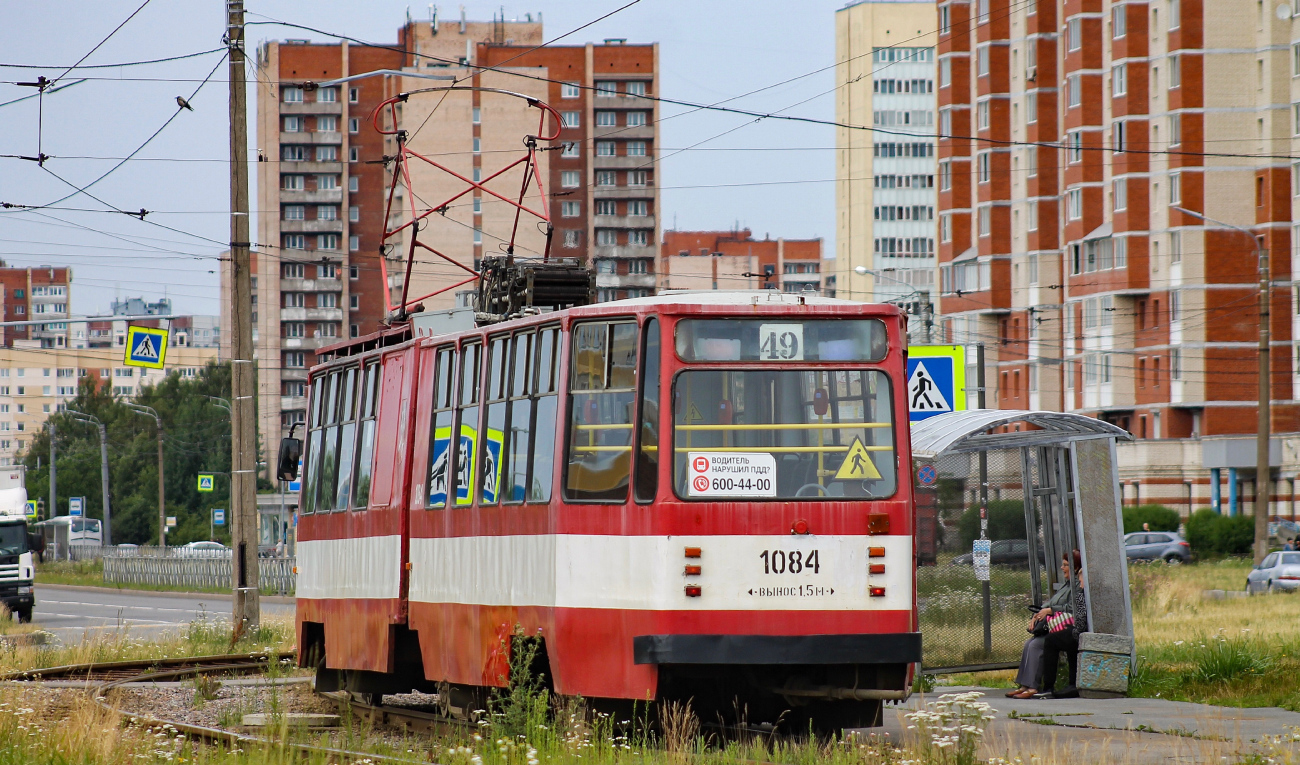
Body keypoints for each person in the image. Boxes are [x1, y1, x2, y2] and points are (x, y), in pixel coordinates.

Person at [1006, 550, 1088, 700]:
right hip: (1054, 627)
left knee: (1036, 645)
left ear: (1075, 568)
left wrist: (1050, 610)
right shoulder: (1066, 586)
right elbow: (1048, 604)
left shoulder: (1077, 586)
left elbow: (1072, 608)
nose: (1062, 568)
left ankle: (1033, 686)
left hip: (1063, 628)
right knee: (1028, 643)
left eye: (1065, 565)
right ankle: (1025, 685)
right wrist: (1036, 616)